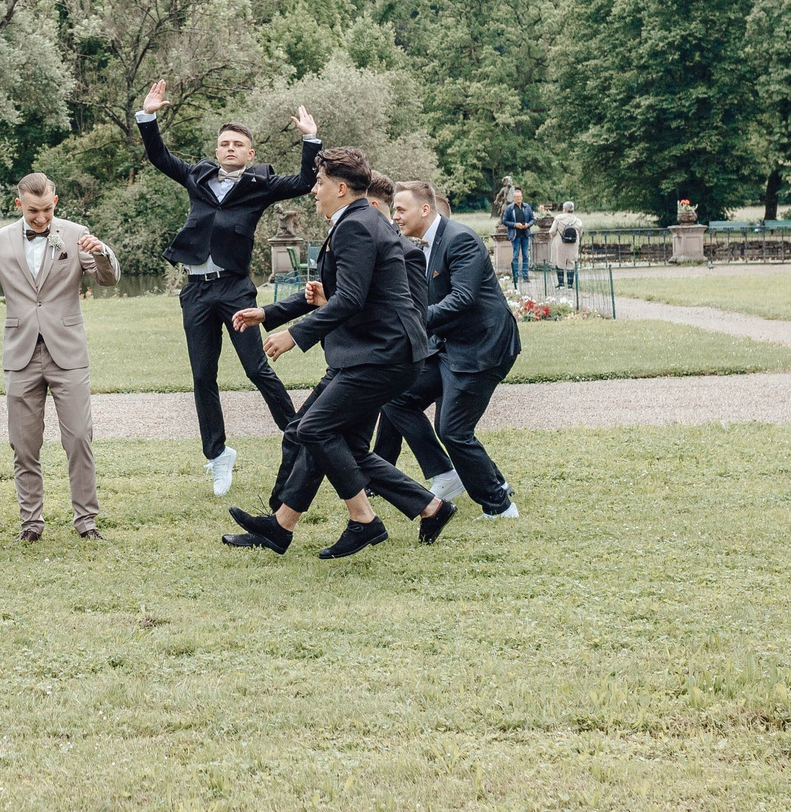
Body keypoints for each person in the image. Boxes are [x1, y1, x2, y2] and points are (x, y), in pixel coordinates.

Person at [221, 146, 452, 560]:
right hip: (376, 353)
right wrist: (271, 312)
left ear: (341, 187)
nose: (313, 190)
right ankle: (425, 507)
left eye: (320, 182)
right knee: (338, 441)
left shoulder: (357, 226)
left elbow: (347, 299)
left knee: (314, 430)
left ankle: (364, 522)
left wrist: (294, 335)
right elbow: (338, 292)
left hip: (381, 354)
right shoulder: (355, 221)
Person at [136, 79, 321, 498]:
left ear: (250, 153)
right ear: (217, 150)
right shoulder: (197, 176)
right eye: (225, 143)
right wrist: (148, 116)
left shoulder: (260, 185)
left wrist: (311, 140)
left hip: (235, 290)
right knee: (203, 375)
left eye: (238, 144)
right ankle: (218, 456)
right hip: (197, 291)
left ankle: (301, 435)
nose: (230, 148)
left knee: (257, 369)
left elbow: (305, 182)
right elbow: (159, 156)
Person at [0, 172, 120, 542]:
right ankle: (31, 524)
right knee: (24, 445)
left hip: (68, 353)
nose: (41, 219)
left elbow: (106, 280)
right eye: (33, 212)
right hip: (21, 354)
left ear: (55, 202)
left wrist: (102, 253)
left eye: (46, 210)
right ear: (19, 206)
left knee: (79, 438)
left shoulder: (77, 233)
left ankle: (87, 522)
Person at [373, 180, 520, 520]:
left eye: (400, 209)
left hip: (482, 347)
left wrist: (412, 320)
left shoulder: (460, 239)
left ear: (425, 209)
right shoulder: (418, 244)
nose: (394, 216)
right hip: (446, 345)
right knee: (396, 397)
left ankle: (500, 506)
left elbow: (462, 298)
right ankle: (447, 473)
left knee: (453, 430)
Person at [502, 186, 535, 282]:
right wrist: (515, 224)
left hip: (525, 234)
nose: (518, 199)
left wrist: (528, 225)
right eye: (516, 197)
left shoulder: (527, 207)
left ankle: (525, 275)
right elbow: (504, 221)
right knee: (515, 256)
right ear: (513, 198)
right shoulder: (509, 208)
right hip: (515, 235)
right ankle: (515, 276)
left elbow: (533, 219)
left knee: (525, 256)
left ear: (522, 197)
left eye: (520, 197)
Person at [549, 200, 582, 289]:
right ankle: (570, 286)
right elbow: (580, 232)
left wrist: (553, 237)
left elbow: (552, 231)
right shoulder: (577, 220)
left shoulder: (559, 218)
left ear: (564, 209)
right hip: (573, 244)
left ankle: (561, 284)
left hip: (560, 243)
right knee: (571, 263)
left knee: (559, 262)